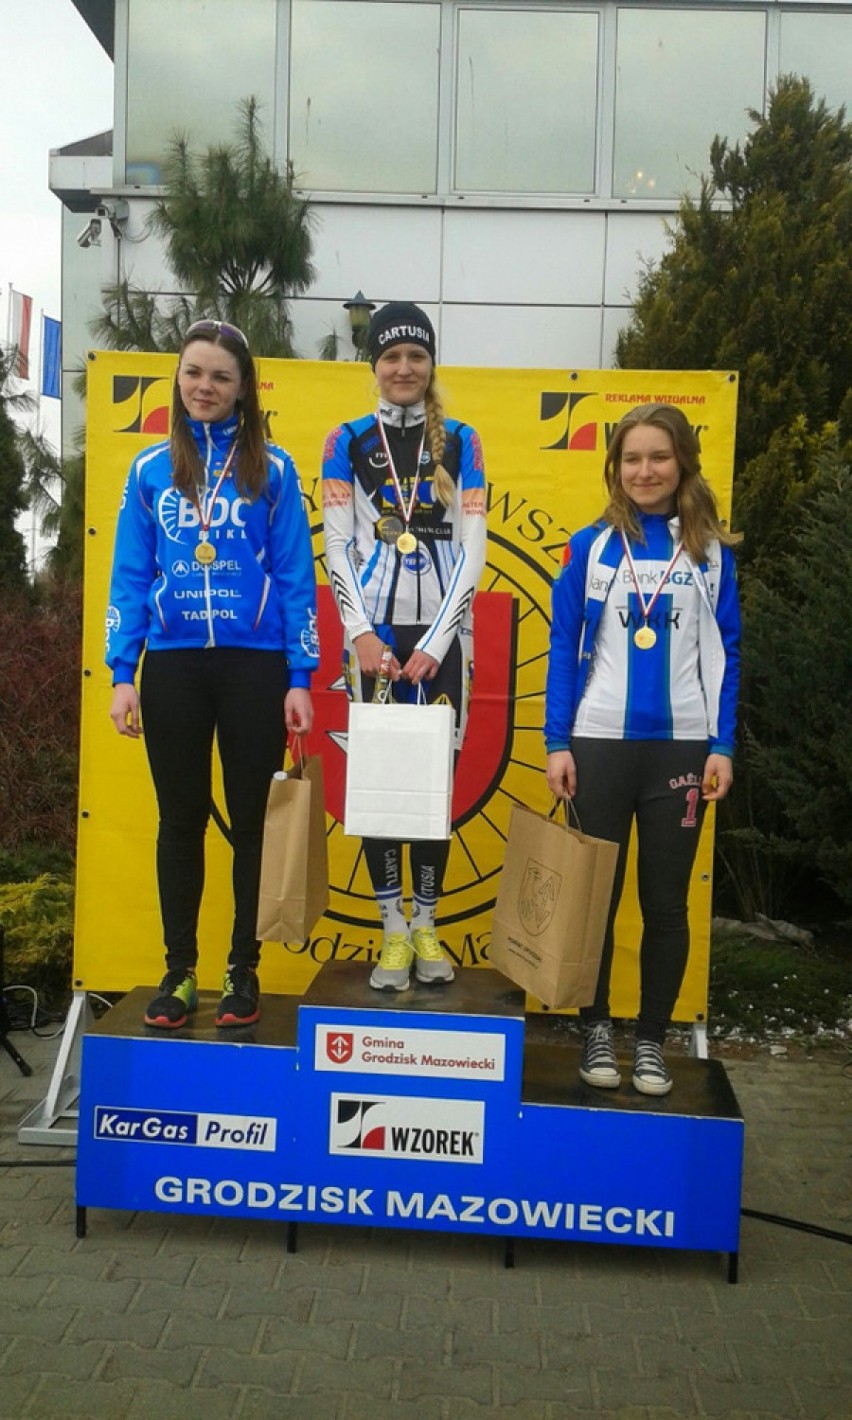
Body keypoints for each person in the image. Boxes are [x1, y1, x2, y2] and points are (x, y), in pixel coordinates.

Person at [106, 319, 318, 1030]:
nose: (205, 387)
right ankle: (178, 969)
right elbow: (131, 575)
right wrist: (121, 671)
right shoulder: (148, 470)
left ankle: (243, 971)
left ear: (243, 388)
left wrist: (300, 676)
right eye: (194, 373)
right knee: (180, 821)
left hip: (254, 667)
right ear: (179, 379)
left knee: (253, 824)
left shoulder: (275, 469)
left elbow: (294, 577)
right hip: (170, 667)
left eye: (221, 376)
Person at [544, 403, 741, 1095]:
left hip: (680, 752)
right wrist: (555, 742)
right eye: (632, 458)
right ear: (615, 467)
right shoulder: (590, 546)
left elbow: (728, 654)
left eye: (658, 457)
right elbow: (564, 651)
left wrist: (723, 744)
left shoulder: (710, 551)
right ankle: (595, 1027)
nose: (645, 470)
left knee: (665, 904)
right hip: (598, 746)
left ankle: (652, 1040)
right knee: (595, 899)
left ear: (682, 462)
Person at [323, 301, 487, 991]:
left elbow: (475, 550)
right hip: (375, 641)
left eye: (415, 356)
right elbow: (335, 542)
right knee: (382, 787)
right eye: (391, 357)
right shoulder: (346, 440)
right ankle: (392, 929)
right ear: (375, 367)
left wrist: (441, 639)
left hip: (441, 641)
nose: (403, 368)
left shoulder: (464, 441)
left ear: (430, 365)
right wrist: (358, 632)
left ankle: (429, 925)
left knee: (432, 792)